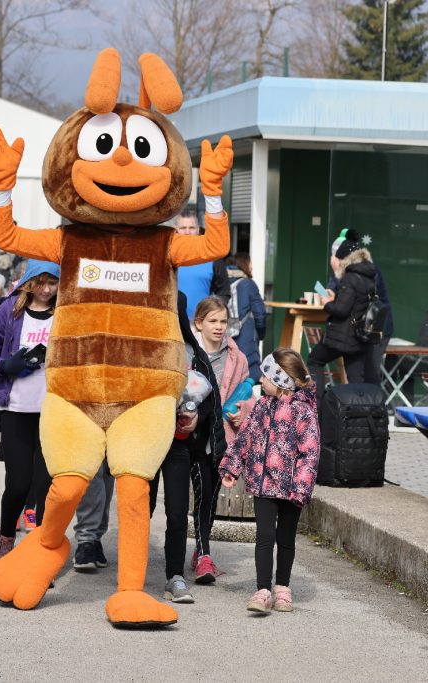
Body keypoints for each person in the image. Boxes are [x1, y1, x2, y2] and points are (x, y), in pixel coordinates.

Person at [219, 348, 320, 613]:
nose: (261, 380)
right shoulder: (262, 406)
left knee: (285, 538)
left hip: (291, 489)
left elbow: (310, 453)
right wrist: (232, 467)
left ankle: (283, 588)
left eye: (265, 376)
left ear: (280, 380)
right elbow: (245, 437)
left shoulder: (303, 412)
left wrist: (301, 488)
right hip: (263, 485)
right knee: (264, 536)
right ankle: (263, 589)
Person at [147, 291, 226, 603]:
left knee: (177, 513)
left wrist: (195, 418)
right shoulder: (144, 346)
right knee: (140, 510)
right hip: (144, 441)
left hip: (178, 444)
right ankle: (131, 573)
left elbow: (210, 399)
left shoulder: (193, 352)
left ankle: (175, 576)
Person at [0, 259, 59, 560]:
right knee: (17, 484)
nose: (47, 289)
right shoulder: (9, 309)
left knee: (46, 486)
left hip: (53, 410)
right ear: (29, 281)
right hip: (16, 408)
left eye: (53, 283)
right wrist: (4, 366)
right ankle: (6, 538)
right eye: (41, 282)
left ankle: (41, 551)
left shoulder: (65, 312)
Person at [189, 295, 249, 583]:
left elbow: (247, 392)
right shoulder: (188, 352)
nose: (219, 326)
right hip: (190, 435)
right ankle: (201, 554)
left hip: (220, 437)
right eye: (212, 321)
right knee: (198, 496)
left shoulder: (237, 357)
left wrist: (242, 411)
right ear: (198, 323)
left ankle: (202, 552)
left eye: (223, 321)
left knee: (209, 498)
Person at [308, 235, 380, 403]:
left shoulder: (350, 277)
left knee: (315, 360)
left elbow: (341, 310)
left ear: (342, 259)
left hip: (342, 337)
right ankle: (361, 413)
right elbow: (355, 304)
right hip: (358, 338)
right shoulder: (368, 276)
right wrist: (337, 297)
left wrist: (327, 303)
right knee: (356, 379)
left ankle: (317, 405)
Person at [328, 229, 393, 377]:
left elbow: (354, 295)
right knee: (358, 372)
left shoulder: (366, 270)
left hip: (373, 326)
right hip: (358, 328)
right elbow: (338, 291)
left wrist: (338, 277)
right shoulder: (349, 270)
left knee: (369, 372)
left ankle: (371, 393)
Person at [175, 209, 230, 319]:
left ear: (198, 229)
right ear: (176, 230)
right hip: (172, 324)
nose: (187, 232)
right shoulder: (166, 258)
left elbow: (223, 293)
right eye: (183, 228)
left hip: (201, 324)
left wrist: (212, 315)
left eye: (191, 228)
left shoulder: (212, 257)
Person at [226, 253, 268, 382]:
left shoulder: (221, 282)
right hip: (245, 335)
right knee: (249, 374)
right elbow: (260, 313)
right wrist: (261, 334)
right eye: (250, 264)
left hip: (225, 334)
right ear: (244, 264)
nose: (251, 267)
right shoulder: (248, 284)